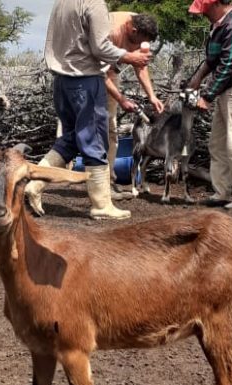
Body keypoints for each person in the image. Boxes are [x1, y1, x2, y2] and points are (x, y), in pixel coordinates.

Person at [25, 0, 151, 220]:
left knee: (73, 137)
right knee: (95, 139)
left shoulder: (62, 3)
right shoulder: (94, 5)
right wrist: (128, 56)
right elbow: (100, 47)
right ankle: (101, 204)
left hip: (62, 81)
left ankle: (35, 183)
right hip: (84, 80)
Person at [186, 0, 232, 209]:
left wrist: (207, 96)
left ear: (217, 4)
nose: (202, 14)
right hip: (226, 90)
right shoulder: (219, 25)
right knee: (217, 144)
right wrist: (196, 80)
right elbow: (212, 59)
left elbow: (229, 65)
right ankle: (222, 193)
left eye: (205, 10)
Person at [104, 12, 164, 200]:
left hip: (110, 72)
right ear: (133, 30)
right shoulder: (111, 31)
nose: (140, 46)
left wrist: (152, 96)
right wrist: (122, 100)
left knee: (111, 129)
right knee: (82, 130)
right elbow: (98, 72)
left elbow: (140, 65)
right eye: (140, 41)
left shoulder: (140, 28)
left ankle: (107, 181)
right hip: (87, 73)